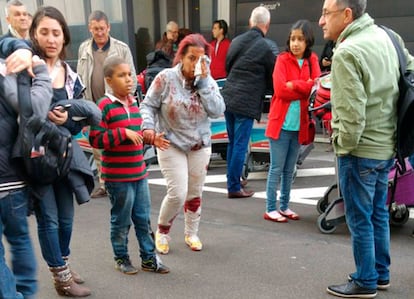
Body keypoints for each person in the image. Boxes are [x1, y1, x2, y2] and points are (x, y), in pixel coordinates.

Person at [319, 0, 414, 298]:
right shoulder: (388, 36)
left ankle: (365, 280)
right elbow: (410, 71)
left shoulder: (347, 52)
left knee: (359, 218)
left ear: (347, 15)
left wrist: (341, 148)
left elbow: (351, 115)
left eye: (326, 14)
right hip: (388, 146)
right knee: (378, 213)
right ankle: (380, 273)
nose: (321, 21)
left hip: (360, 150)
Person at [140, 34, 225, 254]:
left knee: (195, 193)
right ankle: (162, 231)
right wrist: (148, 127)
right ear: (181, 58)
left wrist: (204, 82)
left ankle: (191, 233)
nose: (196, 63)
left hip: (200, 145)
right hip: (171, 143)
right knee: (178, 193)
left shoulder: (208, 81)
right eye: (191, 58)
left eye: (201, 59)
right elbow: (148, 105)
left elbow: (217, 110)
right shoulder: (165, 78)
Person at [29, 6, 92, 297]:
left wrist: (66, 120)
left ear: (64, 37)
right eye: (44, 32)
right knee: (49, 219)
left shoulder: (72, 77)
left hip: (64, 156)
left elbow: (79, 124)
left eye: (56, 33)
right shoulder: (25, 71)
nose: (51, 39)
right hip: (38, 157)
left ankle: (63, 263)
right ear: (34, 35)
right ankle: (61, 276)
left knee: (66, 218)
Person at [89, 55, 170, 275]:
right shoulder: (103, 106)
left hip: (138, 173)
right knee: (121, 220)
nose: (128, 80)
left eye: (129, 75)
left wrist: (150, 138)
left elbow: (137, 134)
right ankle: (121, 258)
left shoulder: (135, 104)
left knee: (143, 219)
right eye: (121, 75)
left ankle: (149, 259)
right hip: (118, 177)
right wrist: (122, 133)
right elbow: (96, 139)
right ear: (108, 80)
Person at [0, 40, 50, 299]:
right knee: (20, 240)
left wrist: (21, 47)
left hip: (9, 177)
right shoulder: (5, 69)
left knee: (18, 242)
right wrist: (40, 71)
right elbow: (32, 111)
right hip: (11, 177)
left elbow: (9, 40)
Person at [264, 20, 321, 223]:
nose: (296, 43)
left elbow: (316, 85)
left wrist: (294, 85)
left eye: (301, 39)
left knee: (290, 170)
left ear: (308, 42)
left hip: (300, 125)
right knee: (276, 168)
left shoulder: (312, 59)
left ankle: (285, 206)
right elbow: (279, 90)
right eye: (293, 38)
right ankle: (271, 208)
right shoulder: (282, 59)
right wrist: (303, 85)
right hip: (281, 124)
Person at [77, 10, 137, 198]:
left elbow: (132, 78)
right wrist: (83, 112)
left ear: (108, 27)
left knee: (118, 142)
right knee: (97, 146)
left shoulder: (121, 48)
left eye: (102, 28)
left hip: (116, 105)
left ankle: (123, 180)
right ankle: (105, 183)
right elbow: (79, 80)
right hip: (92, 105)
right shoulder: (84, 49)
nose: (99, 33)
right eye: (95, 29)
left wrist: (125, 102)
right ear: (90, 29)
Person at [221, 6, 275, 198]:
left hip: (228, 97)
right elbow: (272, 77)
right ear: (266, 25)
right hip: (247, 100)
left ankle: (233, 178)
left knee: (232, 142)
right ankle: (234, 186)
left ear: (251, 22)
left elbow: (228, 67)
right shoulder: (266, 47)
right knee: (240, 144)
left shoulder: (235, 41)